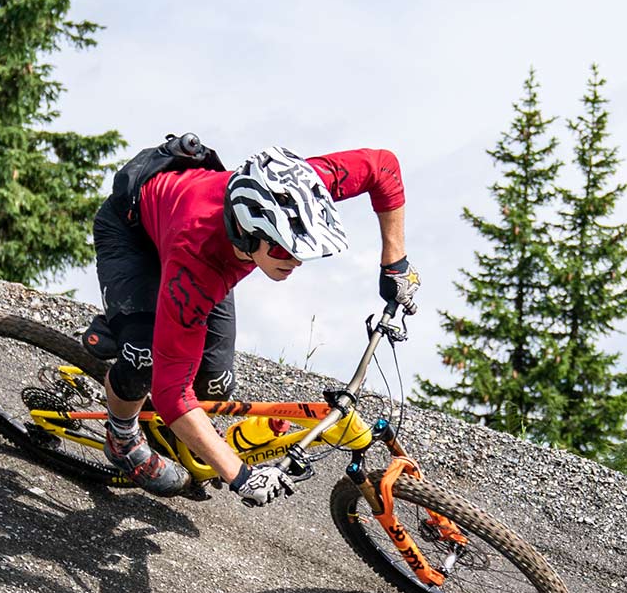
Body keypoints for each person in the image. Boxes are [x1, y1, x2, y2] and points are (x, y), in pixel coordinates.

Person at [82, 139, 420, 507]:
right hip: (134, 235)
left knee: (216, 385)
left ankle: (178, 431)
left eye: (301, 250)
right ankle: (121, 436)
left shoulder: (296, 188)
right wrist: (239, 475)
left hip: (191, 225)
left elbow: (382, 168)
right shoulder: (195, 269)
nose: (295, 262)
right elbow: (170, 395)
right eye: (282, 249)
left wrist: (395, 263)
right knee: (145, 357)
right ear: (246, 233)